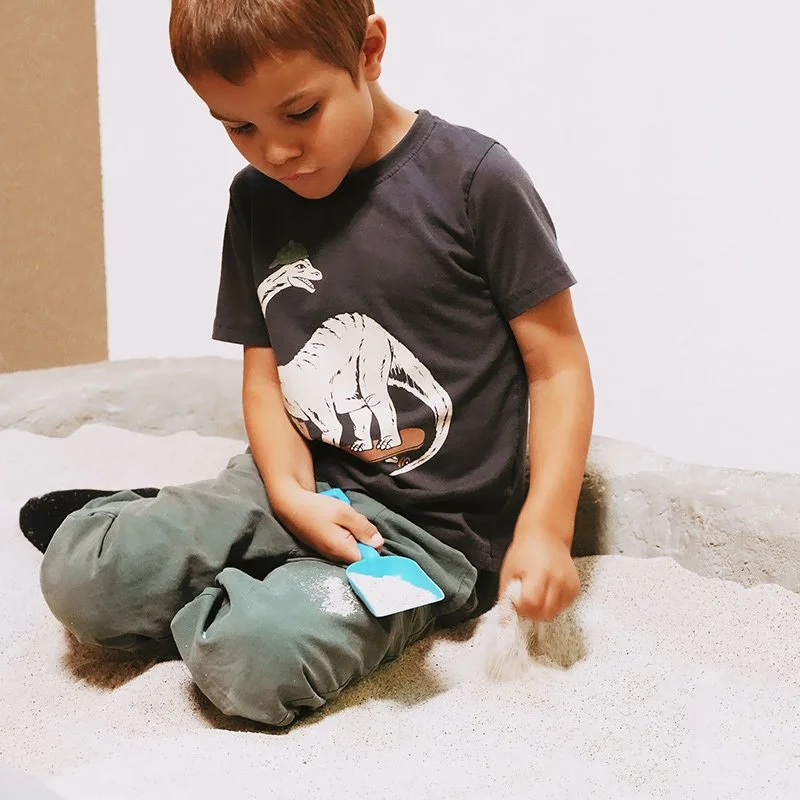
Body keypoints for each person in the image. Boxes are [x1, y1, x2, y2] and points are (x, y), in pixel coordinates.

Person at [19, 0, 594, 727]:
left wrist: (547, 526)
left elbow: (558, 365)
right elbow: (265, 376)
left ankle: (234, 589)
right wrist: (292, 500)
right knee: (78, 579)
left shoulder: (476, 181)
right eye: (239, 127)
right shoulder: (258, 200)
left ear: (369, 50)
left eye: (300, 112)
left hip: (427, 533)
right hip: (288, 481)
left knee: (253, 660)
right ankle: (144, 530)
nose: (276, 151)